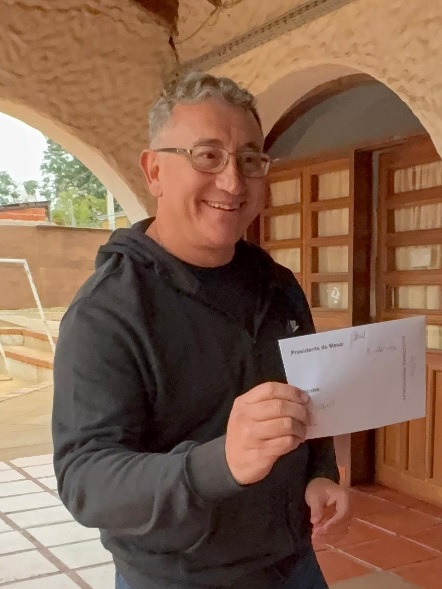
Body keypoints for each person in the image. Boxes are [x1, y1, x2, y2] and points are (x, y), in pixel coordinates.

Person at [51, 70, 351, 589]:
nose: (233, 182)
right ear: (154, 171)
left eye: (250, 160)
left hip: (292, 563)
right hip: (178, 577)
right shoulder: (106, 313)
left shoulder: (277, 285)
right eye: (207, 156)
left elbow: (308, 397)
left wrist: (320, 472)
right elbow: (86, 481)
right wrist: (218, 463)